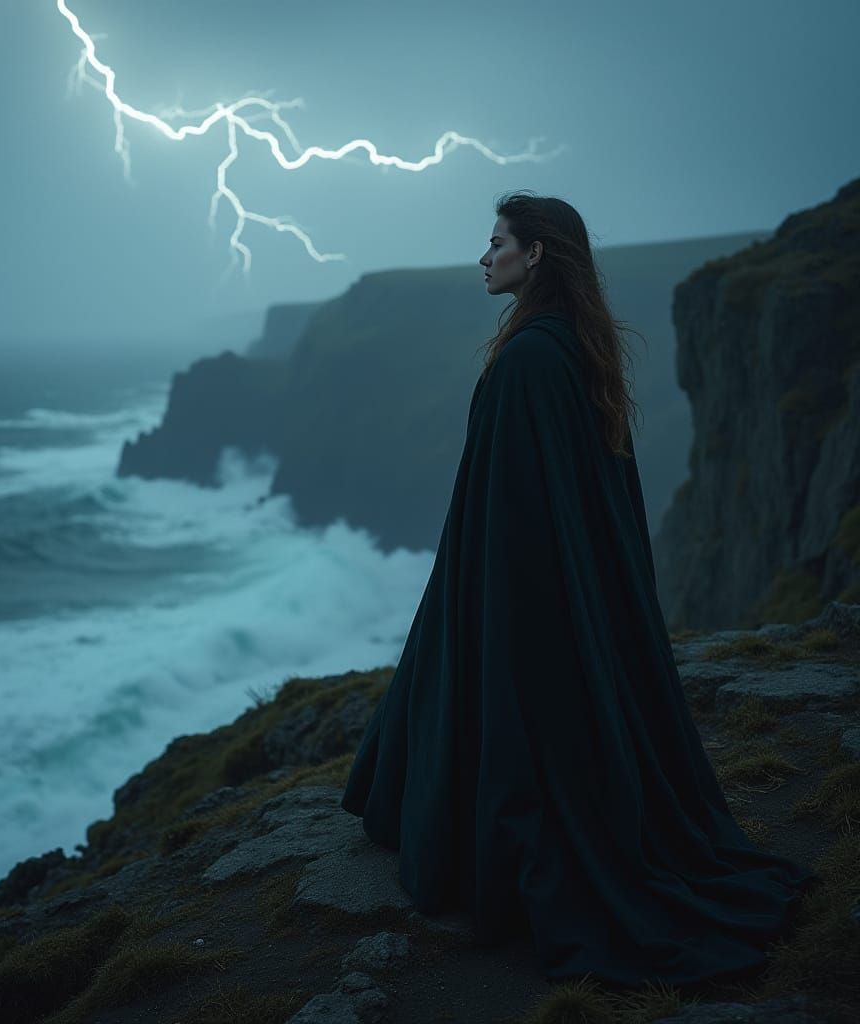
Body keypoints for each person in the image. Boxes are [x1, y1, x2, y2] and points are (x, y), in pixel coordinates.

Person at [339, 190, 820, 988]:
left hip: (526, 589)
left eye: (498, 242)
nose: (484, 256)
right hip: (549, 582)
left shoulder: (532, 357)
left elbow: (524, 508)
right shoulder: (566, 346)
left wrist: (496, 607)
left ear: (536, 256)